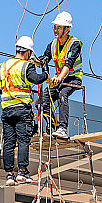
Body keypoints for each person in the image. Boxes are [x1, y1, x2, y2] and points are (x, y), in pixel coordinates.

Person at [0, 35, 48, 186]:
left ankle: (10, 175)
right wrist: (45, 72)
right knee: (23, 141)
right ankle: (22, 172)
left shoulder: (2, 66)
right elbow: (37, 79)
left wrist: (6, 91)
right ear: (28, 52)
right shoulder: (26, 66)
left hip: (7, 111)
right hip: (22, 110)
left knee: (9, 143)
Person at [38, 11, 82, 139]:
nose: (55, 30)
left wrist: (59, 78)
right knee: (43, 99)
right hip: (60, 80)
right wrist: (36, 61)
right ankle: (53, 126)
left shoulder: (74, 44)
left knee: (62, 94)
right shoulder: (53, 45)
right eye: (55, 27)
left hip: (73, 79)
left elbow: (69, 64)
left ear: (67, 29)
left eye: (59, 27)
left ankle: (63, 128)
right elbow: (45, 59)